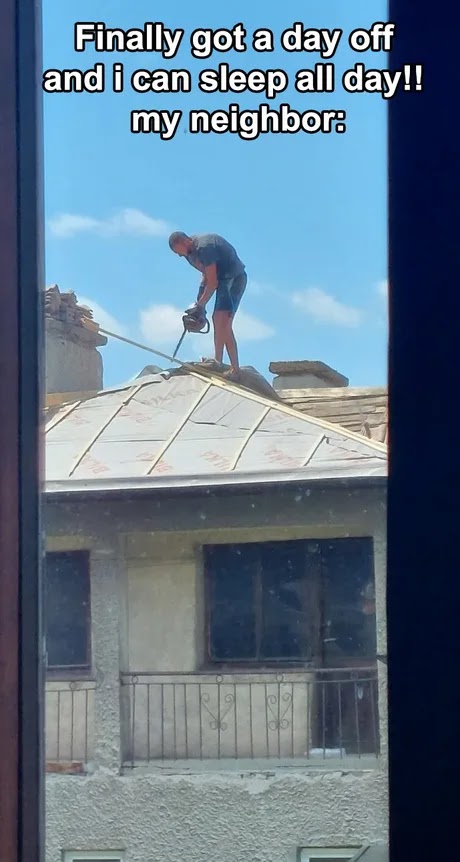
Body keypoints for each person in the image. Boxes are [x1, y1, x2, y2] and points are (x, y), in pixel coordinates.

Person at [168, 230, 247, 379]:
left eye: (179, 251)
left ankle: (229, 367)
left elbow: (212, 282)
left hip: (234, 277)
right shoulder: (189, 254)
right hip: (221, 279)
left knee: (222, 321)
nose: (179, 256)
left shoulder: (205, 247)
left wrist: (200, 306)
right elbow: (205, 275)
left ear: (185, 241)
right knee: (219, 321)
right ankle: (220, 363)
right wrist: (199, 305)